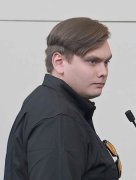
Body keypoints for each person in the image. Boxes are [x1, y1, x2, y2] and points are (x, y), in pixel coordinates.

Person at [4, 17, 121, 179]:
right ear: (59, 62)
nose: (103, 72)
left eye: (106, 62)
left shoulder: (49, 101)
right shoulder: (59, 118)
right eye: (93, 61)